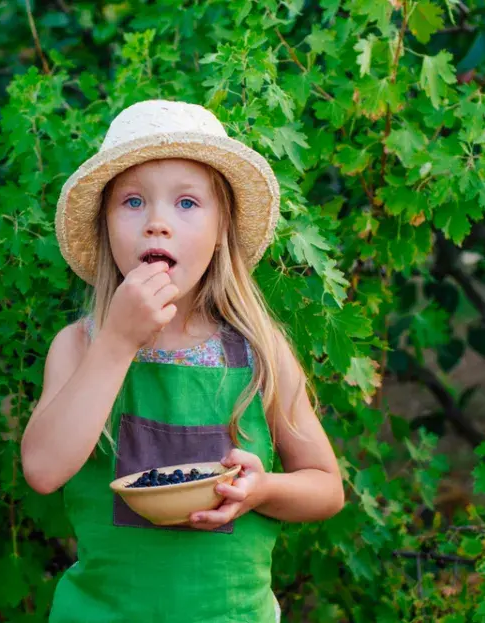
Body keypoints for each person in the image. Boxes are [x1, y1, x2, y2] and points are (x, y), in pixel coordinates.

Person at [20, 99, 344, 622]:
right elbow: (42, 468)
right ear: (105, 228)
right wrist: (117, 343)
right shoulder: (80, 346)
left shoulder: (258, 351)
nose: (157, 224)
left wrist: (261, 489)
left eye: (187, 204)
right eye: (132, 202)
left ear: (221, 233)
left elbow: (326, 489)